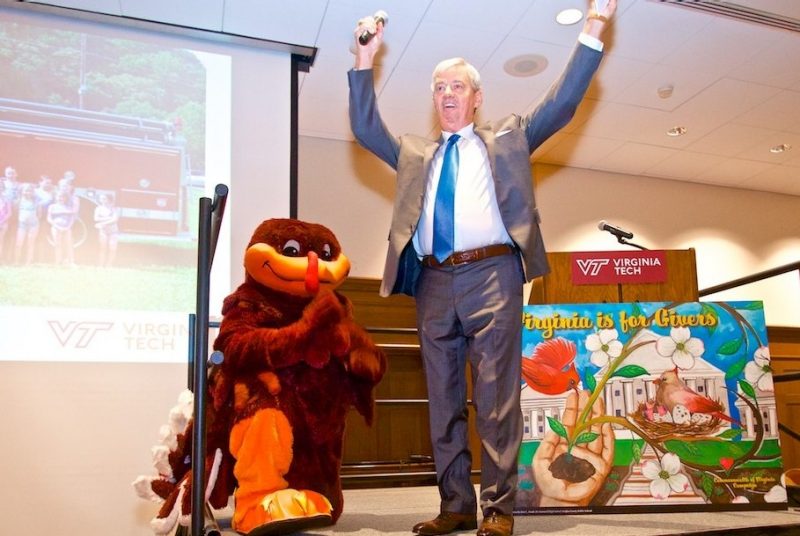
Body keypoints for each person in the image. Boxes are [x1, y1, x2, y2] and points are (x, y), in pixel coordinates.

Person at [348, 2, 616, 535]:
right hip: (433, 281)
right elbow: (363, 126)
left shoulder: (509, 137)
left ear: (476, 97)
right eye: (439, 88)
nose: (447, 94)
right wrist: (363, 60)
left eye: (457, 86)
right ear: (434, 100)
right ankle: (454, 507)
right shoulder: (413, 153)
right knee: (443, 398)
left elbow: (562, 104)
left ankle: (497, 510)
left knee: (496, 399)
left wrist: (593, 29)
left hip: (493, 275)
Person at [47, 188, 77, 266]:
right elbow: (49, 218)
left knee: (68, 244)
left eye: (63, 197)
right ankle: (58, 261)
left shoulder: (69, 207)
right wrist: (56, 226)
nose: (61, 198)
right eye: (59, 197)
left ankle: (71, 261)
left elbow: (72, 218)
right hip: (56, 228)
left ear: (65, 198)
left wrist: (68, 227)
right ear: (56, 197)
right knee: (57, 244)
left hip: (67, 228)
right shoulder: (52, 207)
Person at [93, 192, 119, 267]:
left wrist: (102, 223)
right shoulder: (98, 208)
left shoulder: (114, 209)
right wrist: (108, 218)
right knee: (102, 248)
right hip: (103, 231)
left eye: (104, 198)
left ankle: (109, 264)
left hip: (113, 231)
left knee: (112, 248)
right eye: (101, 198)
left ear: (109, 199)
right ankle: (101, 264)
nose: (102, 200)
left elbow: (114, 220)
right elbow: (96, 218)